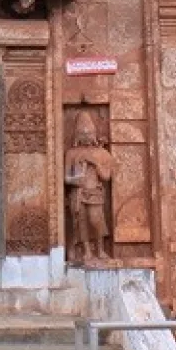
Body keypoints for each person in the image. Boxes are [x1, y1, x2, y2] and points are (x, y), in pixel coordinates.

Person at [65, 110, 113, 261]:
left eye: (89, 133)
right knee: (82, 223)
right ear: (77, 134)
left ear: (94, 133)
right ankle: (87, 251)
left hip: (95, 193)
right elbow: (66, 178)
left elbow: (106, 176)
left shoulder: (102, 153)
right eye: (82, 133)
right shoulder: (71, 153)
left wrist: (94, 163)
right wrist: (75, 180)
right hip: (78, 193)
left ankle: (100, 249)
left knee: (96, 220)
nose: (86, 136)